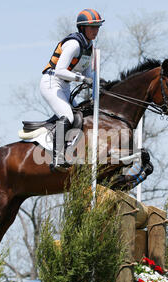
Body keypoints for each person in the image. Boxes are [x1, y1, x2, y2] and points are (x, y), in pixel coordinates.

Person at [40, 9, 105, 171]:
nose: (96, 31)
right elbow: (60, 70)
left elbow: (88, 73)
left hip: (65, 86)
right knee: (68, 116)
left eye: (98, 27)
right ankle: (56, 157)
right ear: (82, 28)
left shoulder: (89, 47)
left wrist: (101, 84)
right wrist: (82, 79)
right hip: (51, 83)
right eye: (92, 27)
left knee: (81, 114)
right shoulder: (73, 44)